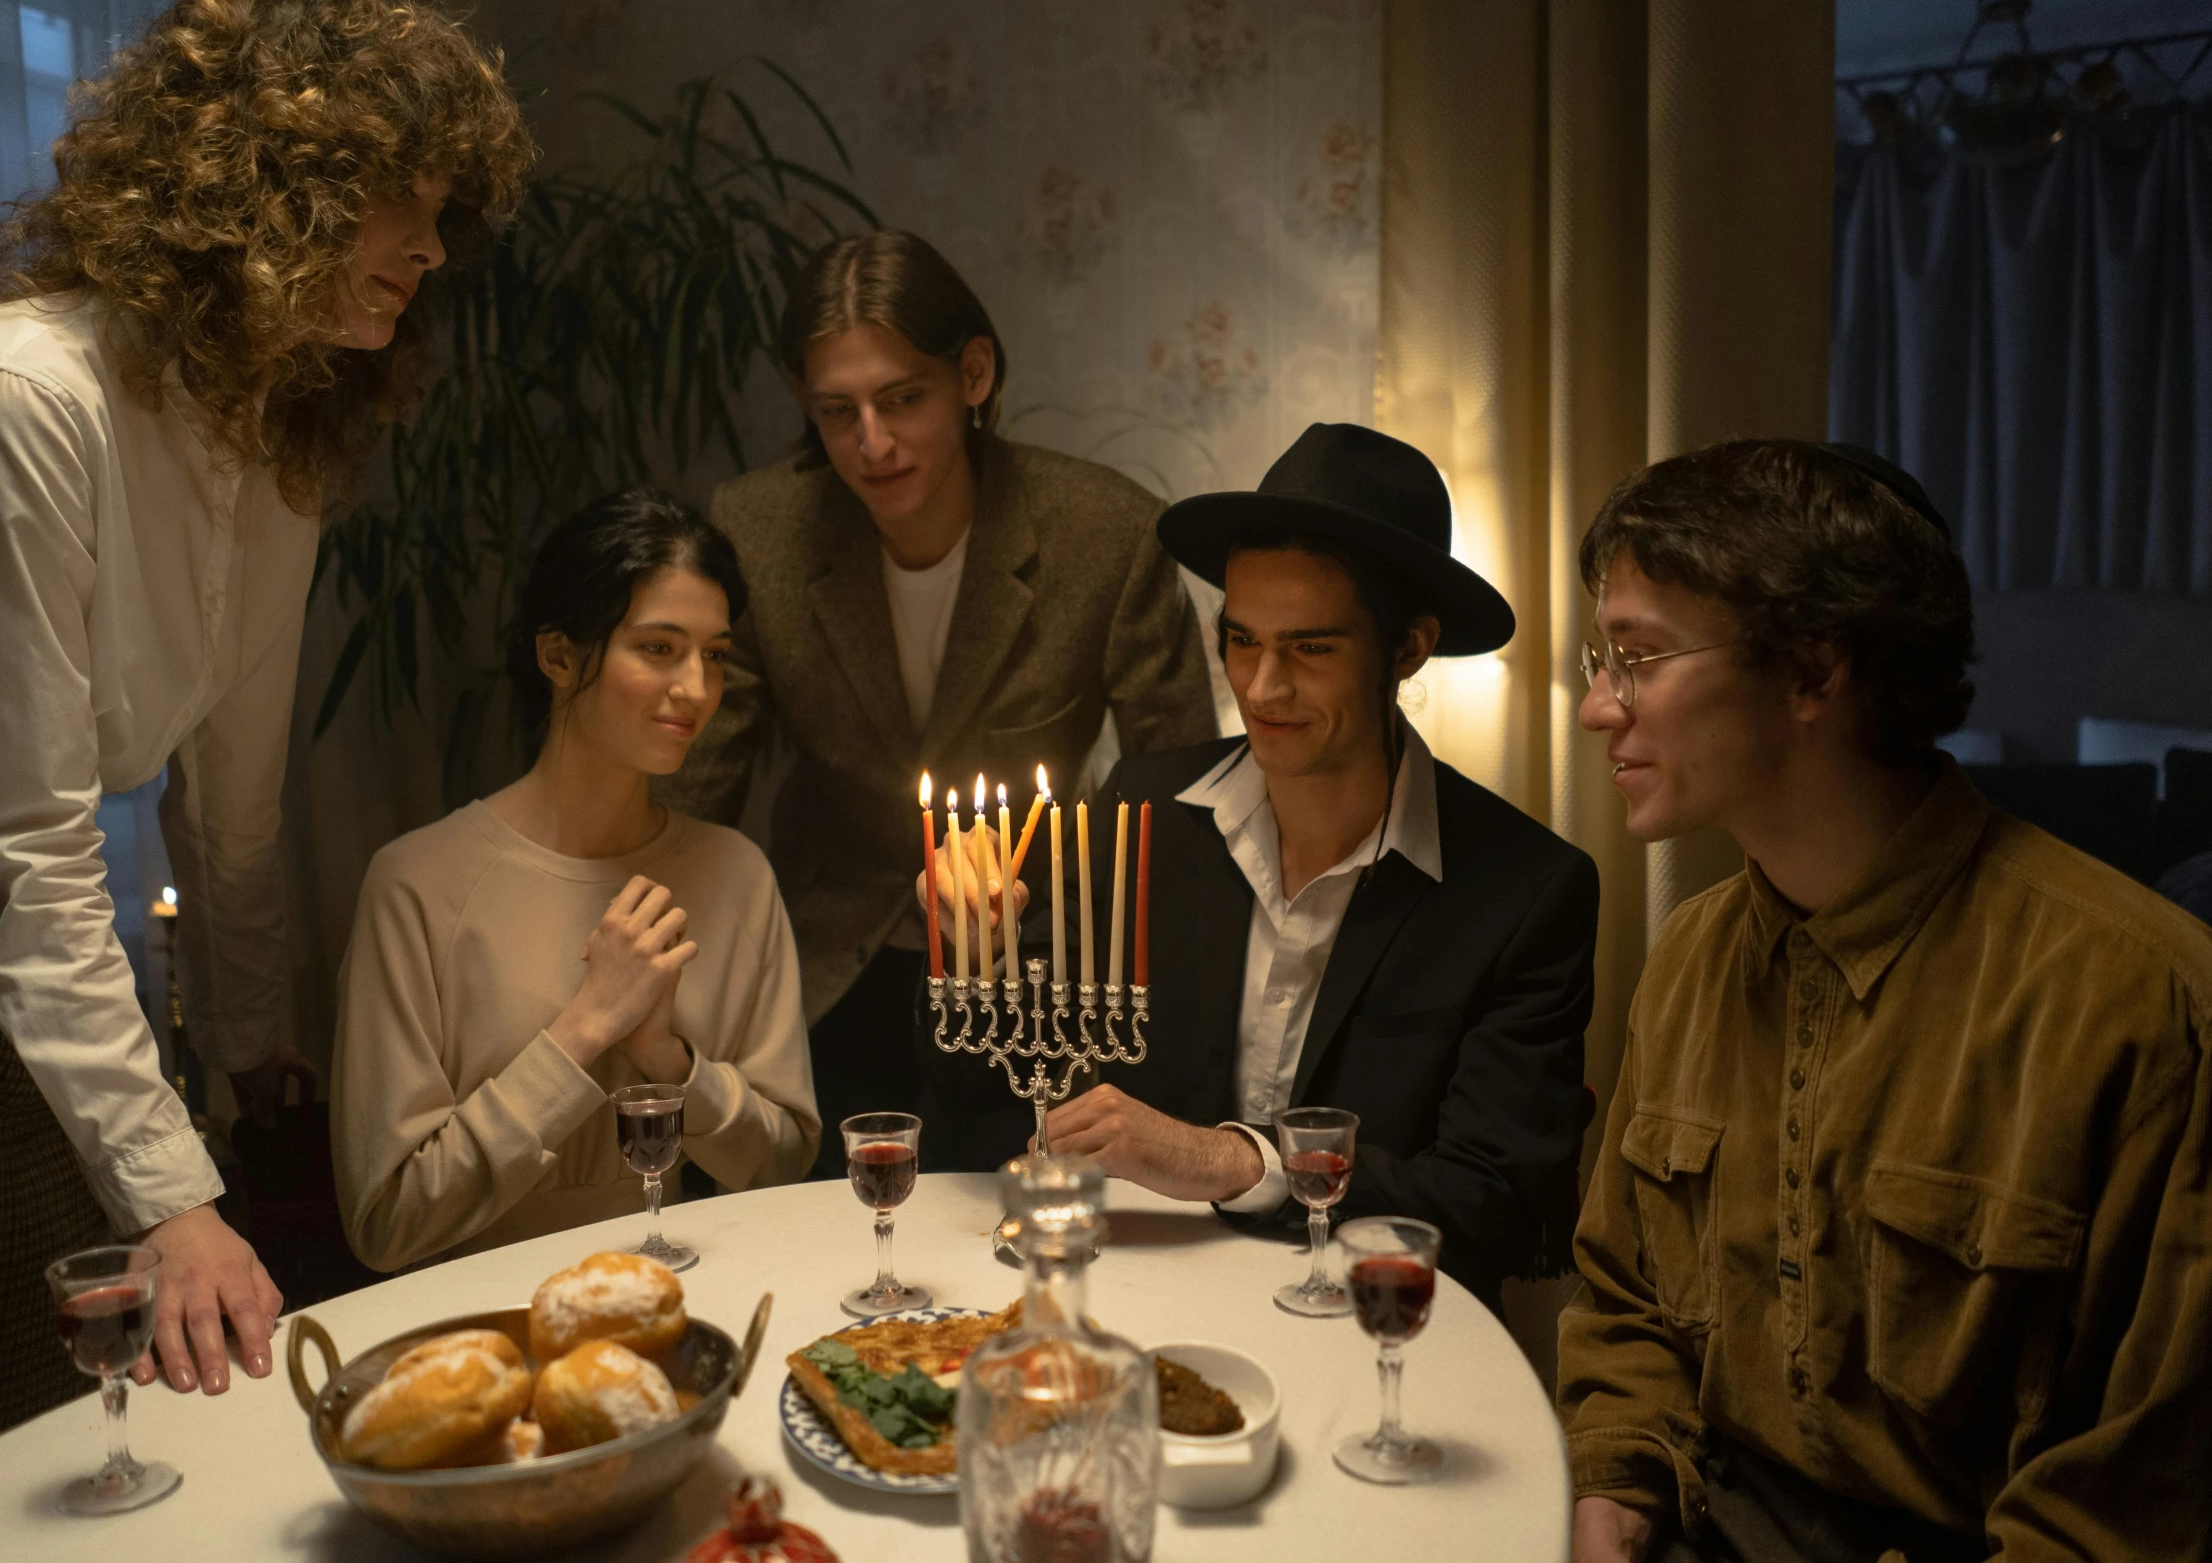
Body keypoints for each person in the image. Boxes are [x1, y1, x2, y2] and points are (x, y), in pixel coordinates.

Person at [0, 0, 530, 1497]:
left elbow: (230, 801)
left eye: (441, 215)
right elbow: (23, 843)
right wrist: (174, 1191)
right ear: (262, 186)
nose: (431, 254)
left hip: (3, 903)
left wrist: (249, 1058)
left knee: (74, 1369)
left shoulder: (273, 438)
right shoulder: (19, 397)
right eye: (401, 203)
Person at [1559, 441, 2212, 1563]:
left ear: (1814, 673)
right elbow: (1627, 1306)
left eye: (1637, 658)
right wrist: (1612, 1500)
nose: (1591, 710)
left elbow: (2128, 1499)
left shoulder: (2141, 1003)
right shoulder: (1688, 961)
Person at [932, 423, 1599, 1306]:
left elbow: (1499, 1202)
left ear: (1408, 648)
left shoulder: (1520, 890)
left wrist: (1235, 1158)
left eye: (1311, 648)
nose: (1261, 687)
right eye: (1242, 640)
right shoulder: (1144, 811)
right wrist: (968, 937)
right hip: (1150, 1296)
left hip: (1374, 1326)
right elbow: (990, 1079)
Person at [655, 229, 1217, 1176]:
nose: (871, 444)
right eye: (838, 412)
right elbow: (699, 773)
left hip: (1040, 964)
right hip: (831, 962)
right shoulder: (760, 529)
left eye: (901, 399)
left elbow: (1178, 793)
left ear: (974, 374)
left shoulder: (1105, 533)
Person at [332, 492, 818, 1273]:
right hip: (481, 1331)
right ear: (558, 657)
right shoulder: (415, 883)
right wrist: (584, 1028)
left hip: (698, 1301)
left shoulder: (737, 874)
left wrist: (669, 1058)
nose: (696, 688)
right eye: (659, 648)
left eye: (716, 655)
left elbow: (784, 1163)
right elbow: (387, 1220)